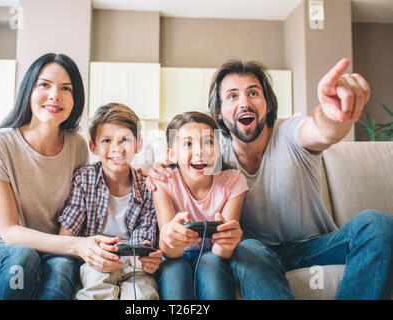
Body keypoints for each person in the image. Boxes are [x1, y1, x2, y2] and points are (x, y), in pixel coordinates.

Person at [148, 58, 393, 299]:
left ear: (267, 104)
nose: (244, 102)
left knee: (377, 223)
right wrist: (152, 169)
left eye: (253, 93)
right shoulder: (214, 150)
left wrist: (333, 115)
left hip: (316, 245)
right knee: (247, 247)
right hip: (257, 253)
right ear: (219, 114)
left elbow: (322, 130)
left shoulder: (289, 132)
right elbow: (184, 157)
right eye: (233, 96)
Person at [0, 53, 93, 300]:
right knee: (24, 255)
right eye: (44, 85)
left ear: (74, 98)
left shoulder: (78, 146)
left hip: (53, 248)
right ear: (29, 90)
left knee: (62, 265)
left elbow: (82, 203)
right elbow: (9, 232)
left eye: (65, 88)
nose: (55, 95)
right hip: (1, 248)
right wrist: (78, 245)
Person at [57, 103, 163, 300]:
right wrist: (91, 254)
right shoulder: (84, 180)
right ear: (94, 147)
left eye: (125, 140)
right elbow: (67, 236)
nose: (117, 148)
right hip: (96, 259)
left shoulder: (147, 187)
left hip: (133, 263)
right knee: (97, 291)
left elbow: (144, 240)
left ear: (138, 145)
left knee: (142, 295)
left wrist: (143, 260)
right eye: (107, 140)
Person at [153, 111, 248, 300]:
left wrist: (228, 242)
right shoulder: (163, 182)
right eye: (188, 144)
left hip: (214, 254)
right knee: (174, 276)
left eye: (208, 143)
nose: (199, 151)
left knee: (212, 268)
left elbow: (222, 251)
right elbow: (169, 251)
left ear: (219, 150)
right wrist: (170, 236)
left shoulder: (234, 181)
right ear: (171, 154)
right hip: (175, 257)